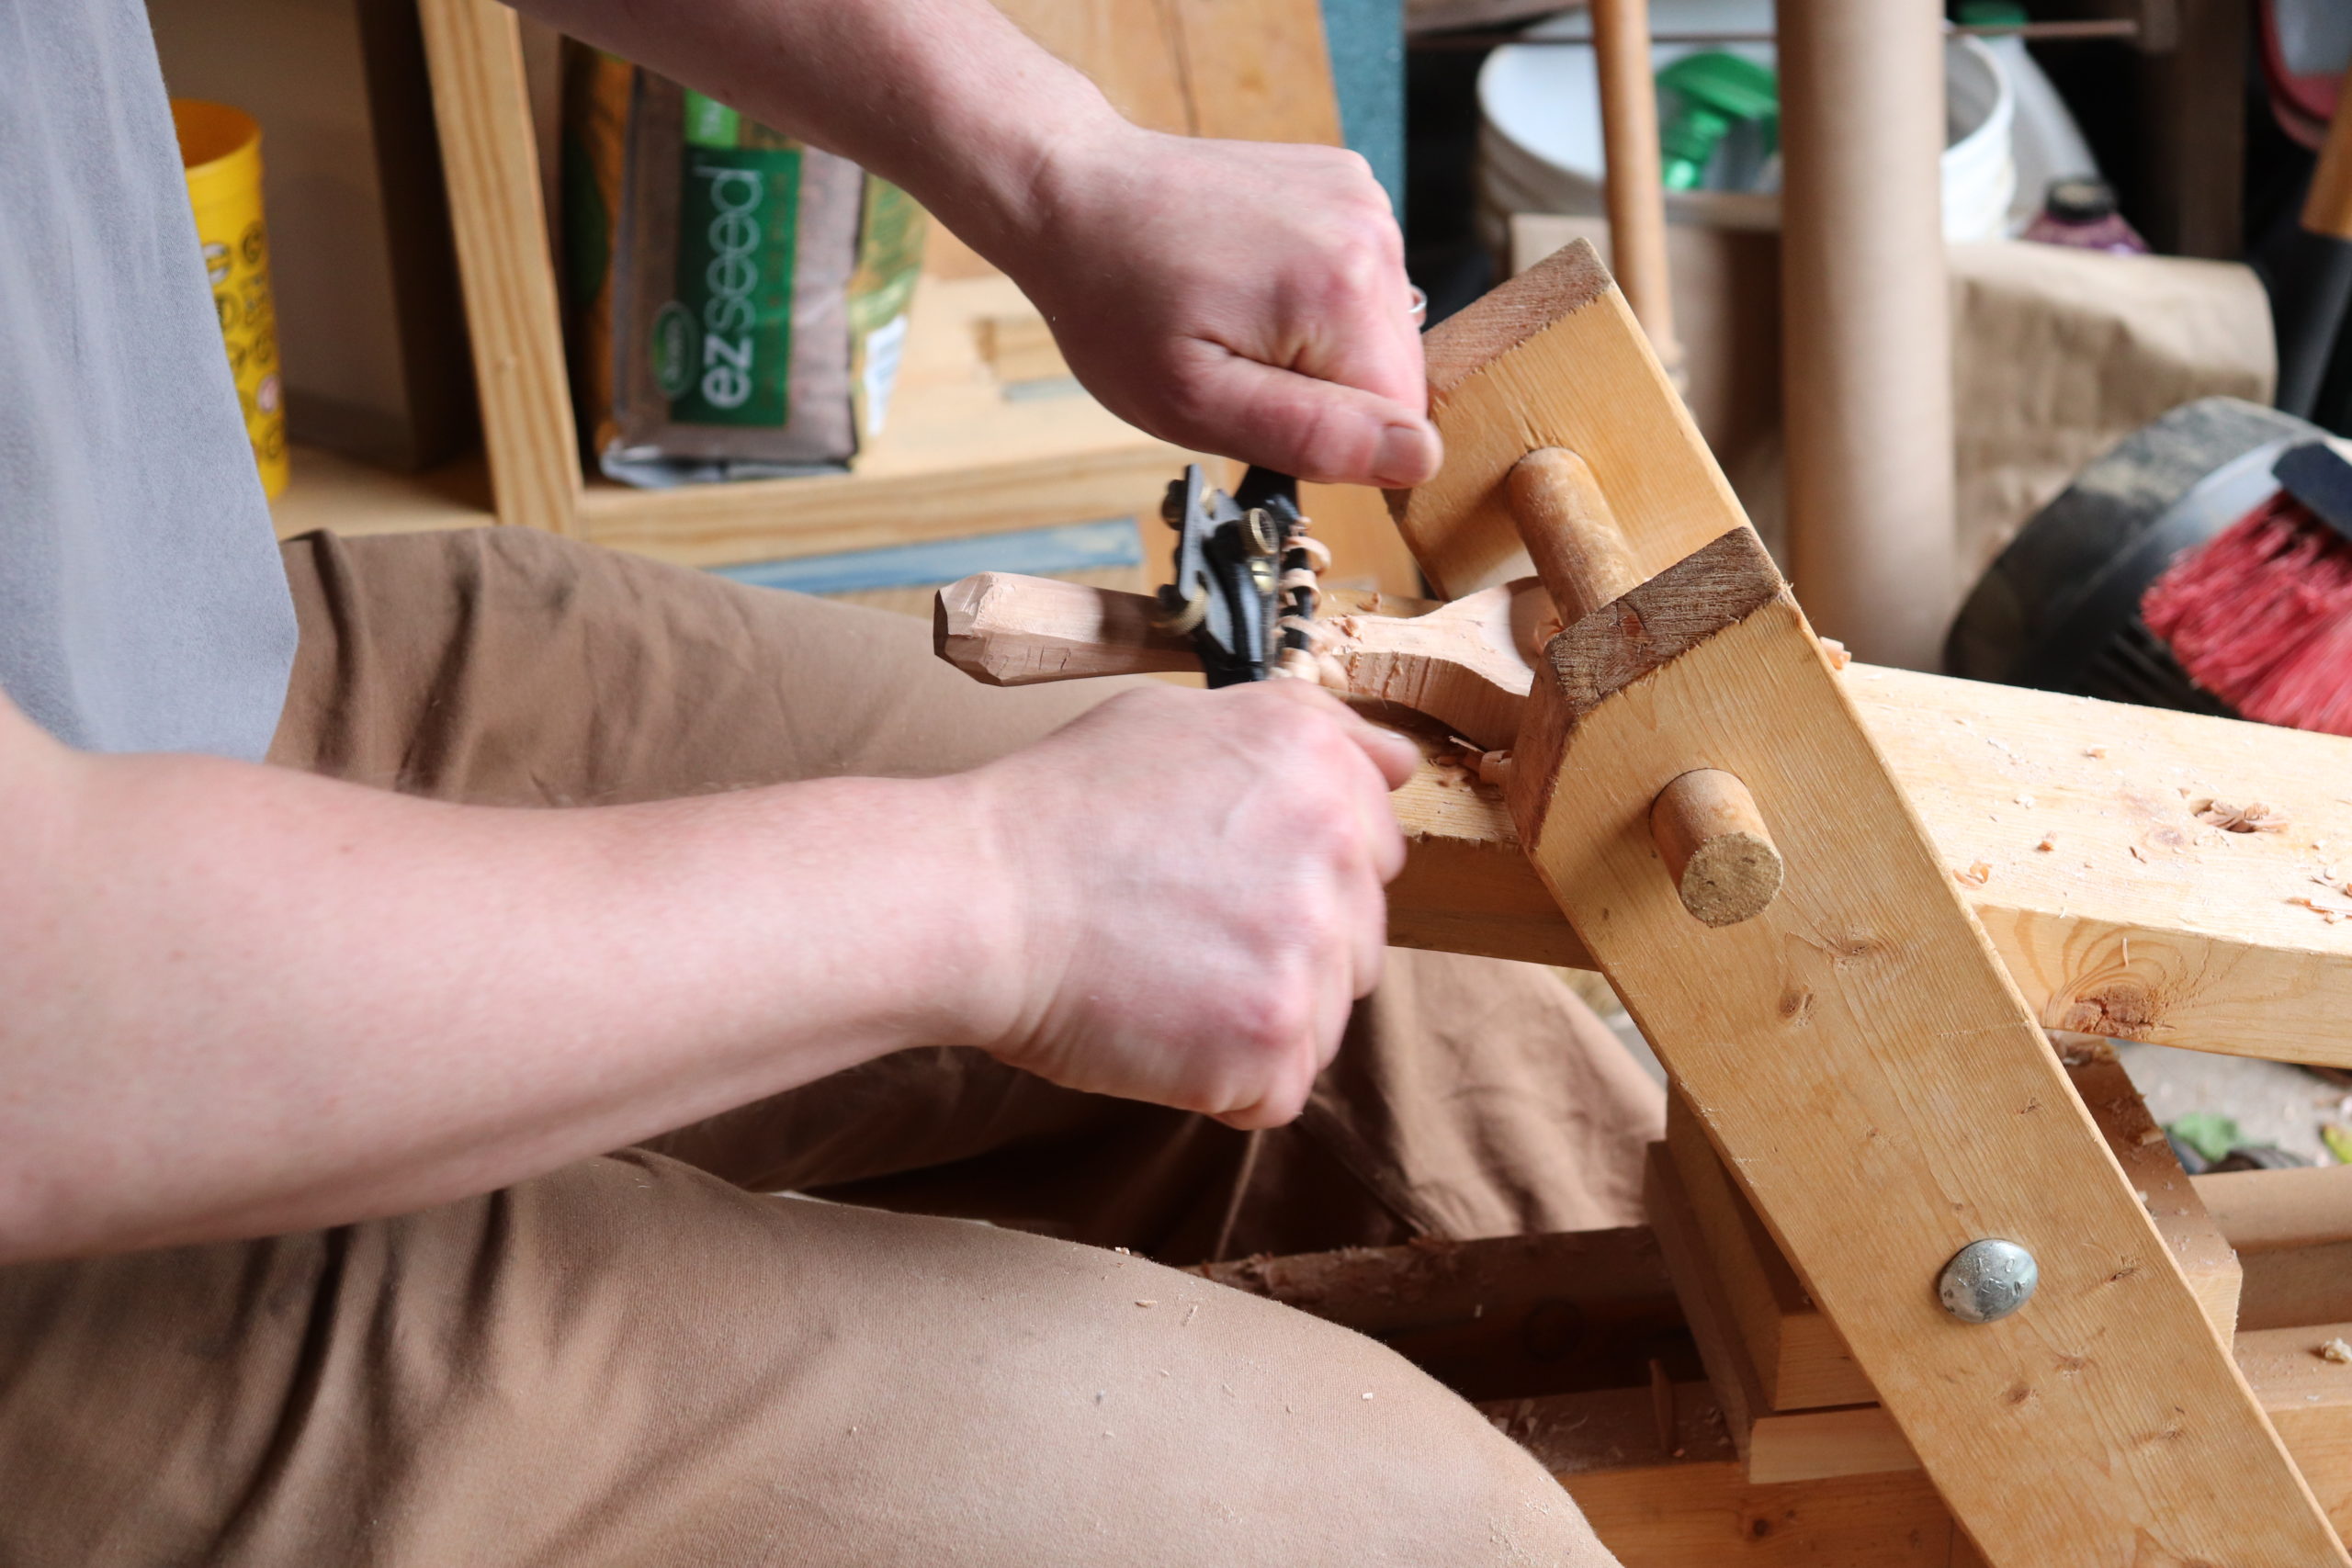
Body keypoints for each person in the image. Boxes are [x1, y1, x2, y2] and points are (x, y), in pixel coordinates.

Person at [0, 1, 1662, 1562]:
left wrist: (1048, 154)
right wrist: (1010, 891)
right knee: (1431, 1536)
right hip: (59, 1095)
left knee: (1412, 984)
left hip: (154, 644)